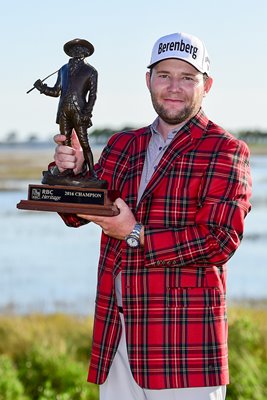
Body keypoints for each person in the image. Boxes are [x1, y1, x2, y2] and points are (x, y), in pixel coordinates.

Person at [51, 32, 252, 399]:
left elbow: (220, 240)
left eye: (187, 77)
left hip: (184, 348)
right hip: (117, 338)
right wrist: (74, 172)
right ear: (148, 80)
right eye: (164, 75)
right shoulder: (122, 145)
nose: (174, 87)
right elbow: (77, 215)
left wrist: (136, 232)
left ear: (206, 85)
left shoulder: (226, 150)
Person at [34, 38, 98, 177]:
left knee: (84, 142)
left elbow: (92, 96)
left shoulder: (91, 71)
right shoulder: (63, 69)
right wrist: (42, 88)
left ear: (86, 53)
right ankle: (68, 171)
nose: (77, 52)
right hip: (63, 110)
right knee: (66, 142)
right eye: (74, 50)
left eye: (80, 49)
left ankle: (93, 173)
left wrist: (87, 112)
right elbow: (56, 92)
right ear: (70, 53)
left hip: (79, 111)